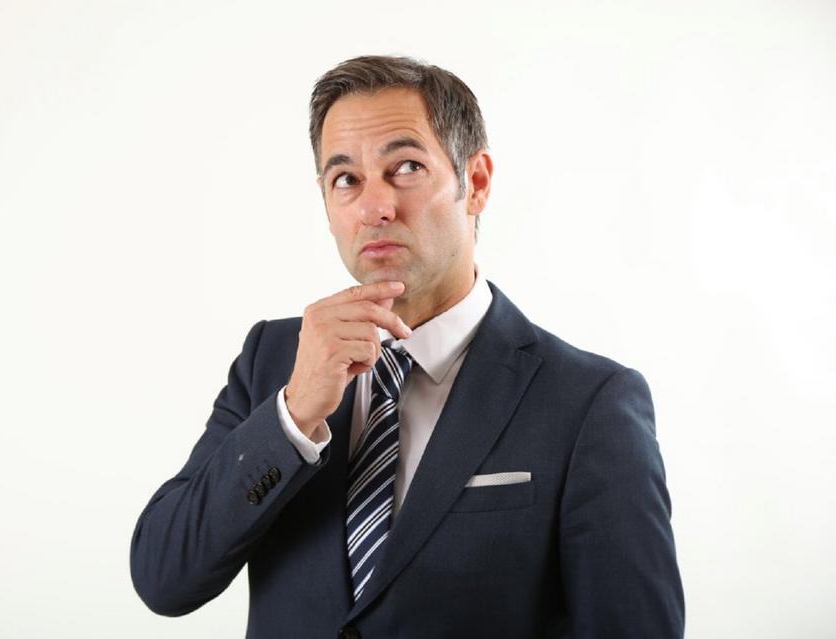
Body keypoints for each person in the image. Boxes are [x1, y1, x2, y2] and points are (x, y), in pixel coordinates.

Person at [129, 55, 684, 638]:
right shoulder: (272, 359)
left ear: (475, 182)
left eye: (407, 167)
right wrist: (291, 418)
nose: (375, 208)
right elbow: (164, 578)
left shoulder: (589, 403)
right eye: (347, 180)